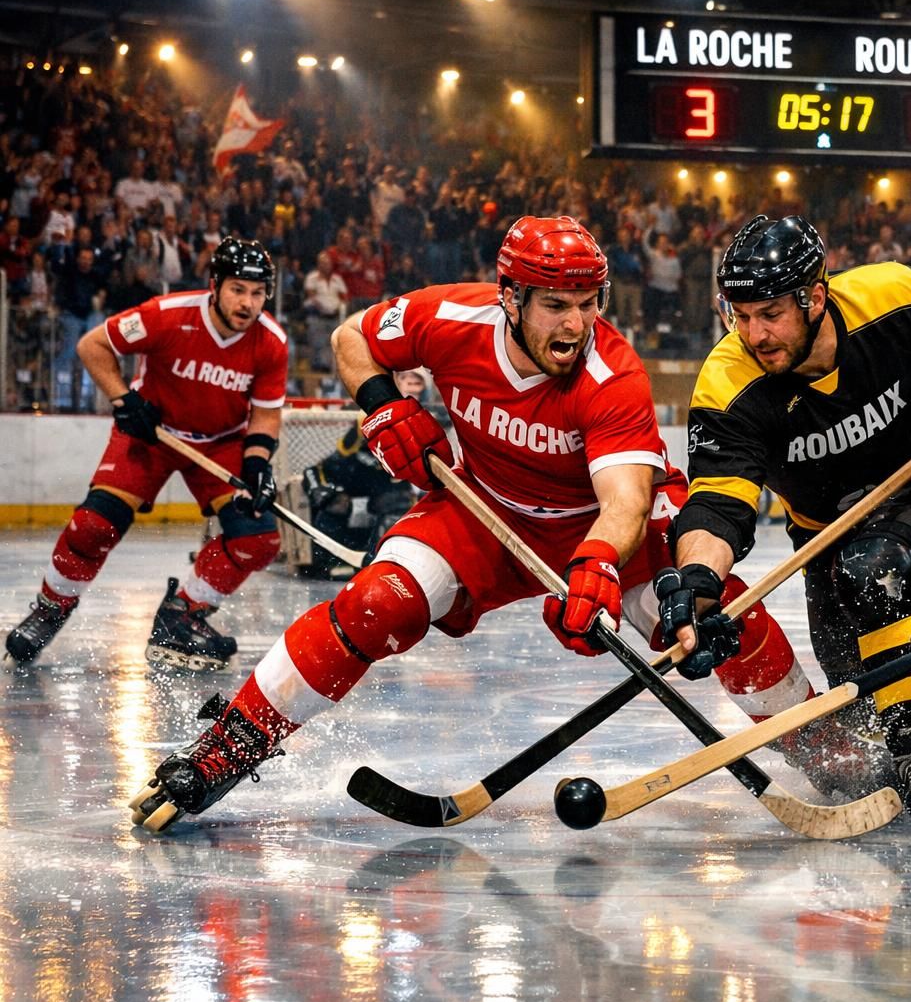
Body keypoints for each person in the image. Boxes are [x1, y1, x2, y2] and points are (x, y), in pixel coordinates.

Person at [128, 216, 866, 830]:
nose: (577, 324)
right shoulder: (450, 317)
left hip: (601, 528)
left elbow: (626, 502)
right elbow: (353, 336)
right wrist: (383, 402)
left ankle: (828, 747)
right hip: (480, 512)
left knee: (709, 613)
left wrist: (598, 562)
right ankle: (229, 746)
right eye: (556, 305)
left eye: (589, 303)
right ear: (509, 298)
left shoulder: (614, 374)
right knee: (375, 603)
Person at [657, 214, 911, 848]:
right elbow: (718, 503)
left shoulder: (888, 296)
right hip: (829, 539)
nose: (753, 334)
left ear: (815, 296)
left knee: (879, 576)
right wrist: (700, 583)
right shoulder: (728, 380)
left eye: (769, 314)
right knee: (873, 691)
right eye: (740, 315)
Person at [5, 238, 287, 671]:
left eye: (257, 292)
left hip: (220, 443)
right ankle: (49, 609)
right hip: (151, 435)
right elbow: (91, 346)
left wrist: (256, 464)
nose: (247, 303)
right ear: (214, 285)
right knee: (94, 526)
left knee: (258, 538)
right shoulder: (166, 314)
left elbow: (266, 416)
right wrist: (124, 400)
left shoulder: (271, 342)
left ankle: (182, 615)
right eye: (237, 289)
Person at [297, 369, 428, 576]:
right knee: (330, 504)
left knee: (396, 505)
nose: (411, 386)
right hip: (356, 491)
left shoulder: (430, 423)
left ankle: (386, 568)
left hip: (392, 498)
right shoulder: (364, 421)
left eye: (417, 383)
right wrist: (322, 491)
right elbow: (322, 467)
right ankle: (326, 564)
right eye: (406, 380)